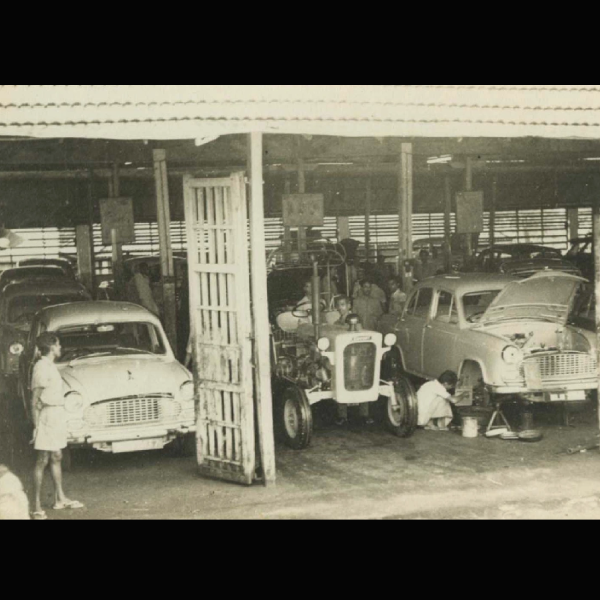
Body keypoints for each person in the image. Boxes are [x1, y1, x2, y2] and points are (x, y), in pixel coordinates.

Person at [31, 333, 84, 520]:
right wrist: (36, 426)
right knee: (42, 459)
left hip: (56, 415)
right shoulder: (40, 367)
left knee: (57, 456)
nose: (60, 348)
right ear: (52, 347)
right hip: (46, 416)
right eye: (58, 345)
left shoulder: (50, 366)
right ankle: (36, 506)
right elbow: (34, 400)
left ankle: (60, 499)